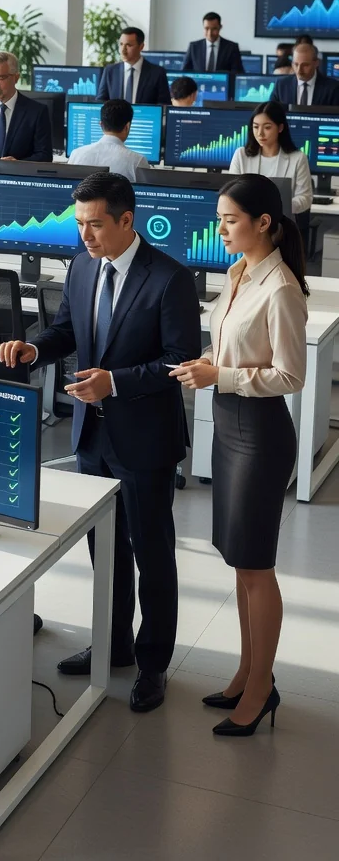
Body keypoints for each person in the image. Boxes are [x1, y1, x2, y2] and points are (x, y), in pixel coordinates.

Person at [0, 173, 201, 713]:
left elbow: (178, 363)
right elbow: (68, 330)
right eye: (79, 223)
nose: (84, 236)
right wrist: (33, 349)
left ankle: (153, 663)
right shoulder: (84, 266)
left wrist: (115, 382)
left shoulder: (169, 278)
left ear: (126, 220)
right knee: (104, 548)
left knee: (152, 556)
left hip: (145, 437)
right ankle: (113, 645)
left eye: (94, 225)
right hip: (94, 434)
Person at [171, 175, 308, 737]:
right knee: (239, 561)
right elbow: (231, 344)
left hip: (259, 434)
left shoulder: (281, 287)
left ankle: (261, 688)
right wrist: (205, 361)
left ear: (263, 223)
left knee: (257, 567)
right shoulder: (238, 274)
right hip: (228, 426)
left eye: (230, 220)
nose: (221, 229)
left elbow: (289, 374)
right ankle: (247, 671)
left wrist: (219, 375)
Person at [227, 101, 312, 245]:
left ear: (280, 128)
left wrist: (278, 207)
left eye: (267, 127)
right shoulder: (241, 155)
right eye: (255, 127)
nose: (260, 133)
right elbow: (230, 195)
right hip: (247, 228)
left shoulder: (298, 158)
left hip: (281, 229)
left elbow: (305, 198)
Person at [66, 99, 148, 182]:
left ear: (101, 125)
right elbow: (146, 192)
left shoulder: (76, 154)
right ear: (127, 126)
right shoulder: (137, 161)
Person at [96, 27, 171, 105]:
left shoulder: (157, 73)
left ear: (141, 46)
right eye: (121, 44)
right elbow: (101, 101)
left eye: (129, 45)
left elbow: (163, 104)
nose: (123, 50)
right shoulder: (110, 71)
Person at [270, 42, 339, 106]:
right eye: (296, 64)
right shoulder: (281, 85)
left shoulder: (333, 88)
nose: (299, 70)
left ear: (316, 63)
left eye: (305, 65)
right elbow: (270, 112)